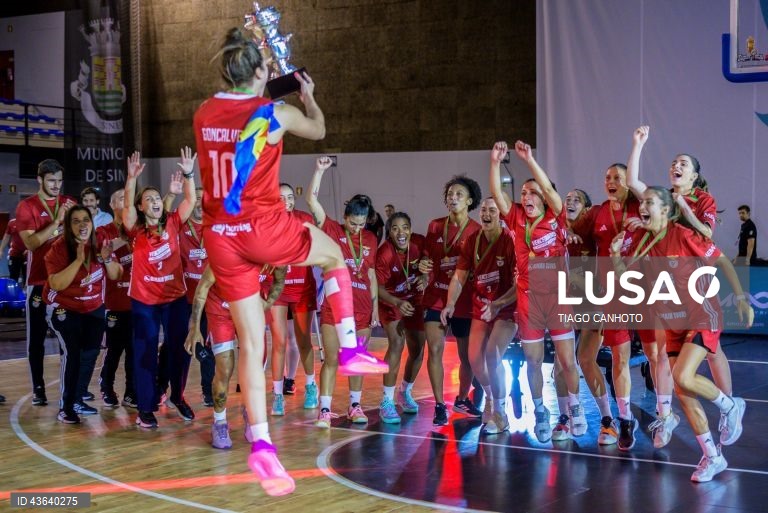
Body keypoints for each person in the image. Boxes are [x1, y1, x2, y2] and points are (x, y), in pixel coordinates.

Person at [193, 28, 386, 497]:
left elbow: (235, 112)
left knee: (250, 345)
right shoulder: (274, 112)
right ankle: (349, 348)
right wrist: (309, 96)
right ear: (260, 72)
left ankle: (260, 444)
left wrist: (268, 83)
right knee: (335, 253)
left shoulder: (203, 113)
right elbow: (318, 128)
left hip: (220, 237)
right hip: (262, 227)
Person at [610, 186, 752, 482]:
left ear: (665, 209)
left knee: (684, 377)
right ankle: (713, 457)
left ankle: (730, 406)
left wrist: (740, 299)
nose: (643, 206)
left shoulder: (684, 234)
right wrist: (614, 257)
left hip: (701, 314)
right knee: (684, 394)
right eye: (642, 202)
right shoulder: (642, 242)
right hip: (671, 322)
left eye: (650, 201)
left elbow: (723, 261)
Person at [627, 125, 730, 449]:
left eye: (684, 163)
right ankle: (667, 414)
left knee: (713, 354)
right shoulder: (661, 199)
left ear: (695, 176)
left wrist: (684, 211)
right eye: (674, 162)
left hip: (695, 281)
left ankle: (728, 406)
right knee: (661, 354)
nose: (676, 166)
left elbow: (709, 237)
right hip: (667, 285)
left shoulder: (702, 200)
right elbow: (634, 184)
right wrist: (639, 144)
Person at [489, 141, 584, 443]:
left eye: (533, 193)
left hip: (557, 298)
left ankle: (575, 407)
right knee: (533, 361)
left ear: (544, 196)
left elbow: (550, 191)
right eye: (523, 193)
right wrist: (494, 164)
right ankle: (541, 410)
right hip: (529, 299)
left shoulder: (556, 216)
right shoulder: (516, 217)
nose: (526, 196)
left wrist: (529, 160)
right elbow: (497, 195)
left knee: (567, 361)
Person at [568, 163, 644, 449]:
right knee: (585, 357)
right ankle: (612, 420)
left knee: (635, 357)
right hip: (604, 293)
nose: (610, 182)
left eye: (617, 178)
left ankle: (660, 412)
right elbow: (569, 228)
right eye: (607, 177)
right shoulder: (598, 211)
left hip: (637, 289)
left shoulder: (640, 206)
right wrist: (569, 232)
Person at [123, 149, 197, 429]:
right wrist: (131, 180)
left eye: (157, 198)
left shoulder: (174, 222)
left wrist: (189, 173)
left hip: (175, 298)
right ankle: (145, 408)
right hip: (144, 302)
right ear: (142, 208)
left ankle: (176, 395)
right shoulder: (136, 229)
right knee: (145, 352)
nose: (154, 202)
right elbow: (127, 207)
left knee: (178, 349)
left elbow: (190, 199)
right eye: (149, 200)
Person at [306, 158, 380, 427]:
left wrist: (375, 308)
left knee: (357, 361)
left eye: (361, 224)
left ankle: (355, 406)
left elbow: (370, 274)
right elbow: (312, 201)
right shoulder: (333, 228)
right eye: (352, 222)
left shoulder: (371, 239)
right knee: (332, 360)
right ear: (345, 216)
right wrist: (320, 171)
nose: (356, 228)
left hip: (362, 309)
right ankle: (324, 410)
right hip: (334, 307)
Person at [185, 265, 285, 449]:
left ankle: (251, 414)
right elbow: (202, 288)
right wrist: (195, 327)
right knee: (224, 368)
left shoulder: (272, 258)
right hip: (221, 312)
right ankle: (219, 422)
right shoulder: (228, 255)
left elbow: (279, 281)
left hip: (251, 313)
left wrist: (268, 302)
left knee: (255, 368)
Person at [441, 197, 518, 434]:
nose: (486, 213)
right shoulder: (472, 241)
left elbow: (520, 284)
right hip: (481, 306)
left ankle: (501, 413)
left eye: (492, 210)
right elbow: (459, 276)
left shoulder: (510, 241)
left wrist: (499, 304)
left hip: (506, 307)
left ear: (501, 215)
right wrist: (450, 303)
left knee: (492, 355)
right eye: (483, 209)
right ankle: (491, 398)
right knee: (474, 358)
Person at [44, 206, 122, 423]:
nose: (82, 225)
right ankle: (66, 406)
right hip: (63, 307)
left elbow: (116, 274)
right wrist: (78, 260)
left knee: (90, 354)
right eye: (76, 221)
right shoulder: (58, 249)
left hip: (93, 308)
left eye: (86, 220)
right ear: (69, 226)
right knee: (73, 354)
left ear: (92, 222)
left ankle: (78, 398)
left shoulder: (99, 243)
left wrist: (107, 259)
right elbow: (56, 284)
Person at [419, 175, 483, 426]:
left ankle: (461, 398)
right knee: (434, 349)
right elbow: (426, 258)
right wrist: (423, 265)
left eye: (459, 194)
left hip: (464, 301)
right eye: (450, 194)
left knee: (467, 357)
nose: (453, 197)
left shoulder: (477, 230)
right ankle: (438, 404)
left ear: (469, 201)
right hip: (436, 296)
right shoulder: (435, 225)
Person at [16, 159, 76, 406]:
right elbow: (30, 244)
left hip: (65, 282)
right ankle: (38, 388)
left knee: (68, 340)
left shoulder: (69, 202)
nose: (57, 186)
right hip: (39, 282)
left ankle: (69, 389)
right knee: (37, 339)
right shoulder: (26, 206)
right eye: (52, 181)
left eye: (60, 181)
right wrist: (57, 222)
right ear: (39, 180)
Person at [268, 183, 320, 414]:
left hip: (301, 288)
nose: (286, 201)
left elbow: (317, 243)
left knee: (303, 340)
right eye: (281, 197)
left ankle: (311, 385)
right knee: (278, 342)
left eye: (290, 197)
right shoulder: (265, 222)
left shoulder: (303, 219)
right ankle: (277, 394)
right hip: (277, 289)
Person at [164, 184, 216, 407]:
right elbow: (164, 216)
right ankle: (167, 390)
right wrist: (172, 195)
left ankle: (208, 392)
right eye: (196, 199)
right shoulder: (180, 226)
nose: (200, 203)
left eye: (205, 199)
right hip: (182, 299)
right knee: (176, 347)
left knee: (209, 347)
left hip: (209, 299)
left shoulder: (216, 228)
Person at [375, 212, 426, 423]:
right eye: (395, 228)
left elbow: (431, 261)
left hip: (414, 300)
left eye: (405, 227)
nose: (401, 232)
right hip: (391, 301)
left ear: (411, 229)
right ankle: (386, 401)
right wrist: (396, 302)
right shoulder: (384, 253)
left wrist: (426, 275)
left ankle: (405, 392)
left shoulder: (419, 243)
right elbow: (376, 287)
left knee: (418, 348)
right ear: (389, 233)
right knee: (396, 343)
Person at [97, 189, 137, 409]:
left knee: (134, 350)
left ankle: (131, 392)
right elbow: (102, 250)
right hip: (113, 301)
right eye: (122, 198)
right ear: (112, 205)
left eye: (130, 197)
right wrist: (124, 237)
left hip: (137, 301)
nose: (127, 200)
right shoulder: (103, 230)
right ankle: (107, 387)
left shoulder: (139, 229)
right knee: (114, 349)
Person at [0, 218, 27, 285]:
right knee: (13, 276)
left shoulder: (33, 222)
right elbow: (6, 237)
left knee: (26, 276)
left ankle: (26, 293)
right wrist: (1, 250)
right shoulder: (11, 223)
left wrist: (30, 249)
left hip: (28, 255)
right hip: (14, 254)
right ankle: (13, 293)